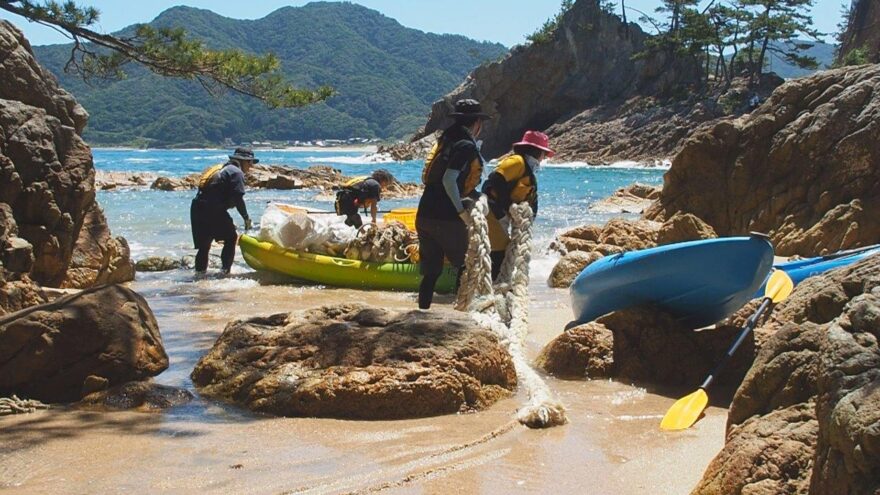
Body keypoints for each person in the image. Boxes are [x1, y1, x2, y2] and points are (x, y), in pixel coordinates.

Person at [416, 98, 490, 309]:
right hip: (446, 217)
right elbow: (449, 179)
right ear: (476, 123)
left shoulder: (445, 140)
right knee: (465, 266)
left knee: (431, 272)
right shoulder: (465, 145)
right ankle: (460, 315)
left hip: (425, 214)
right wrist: (461, 211)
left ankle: (422, 313)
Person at [482, 130, 553, 280]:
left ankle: (498, 285)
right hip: (492, 212)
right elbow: (494, 180)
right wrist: (509, 205)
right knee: (499, 251)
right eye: (543, 154)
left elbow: (532, 201)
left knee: (504, 251)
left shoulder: (529, 174)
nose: (543, 158)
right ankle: (496, 287)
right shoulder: (517, 162)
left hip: (502, 215)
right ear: (536, 152)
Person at [189, 147, 256, 274]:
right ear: (243, 161)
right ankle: (225, 272)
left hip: (197, 207)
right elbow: (238, 198)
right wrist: (246, 218)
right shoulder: (236, 172)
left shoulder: (221, 168)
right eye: (250, 162)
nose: (251, 166)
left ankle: (199, 276)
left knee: (204, 246)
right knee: (231, 238)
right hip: (213, 209)